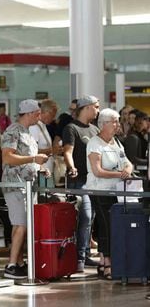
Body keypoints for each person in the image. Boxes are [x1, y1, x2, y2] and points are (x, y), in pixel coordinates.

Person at [2, 99, 48, 279]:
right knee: (21, 224)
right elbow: (7, 158)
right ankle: (11, 265)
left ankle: (19, 263)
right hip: (16, 184)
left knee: (22, 224)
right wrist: (33, 159)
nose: (40, 116)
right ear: (28, 113)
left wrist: (40, 167)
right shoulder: (13, 131)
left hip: (28, 185)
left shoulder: (26, 132)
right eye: (37, 113)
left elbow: (27, 158)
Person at [85, 108, 133, 280]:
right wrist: (120, 174)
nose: (117, 125)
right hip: (100, 190)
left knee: (113, 225)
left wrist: (127, 170)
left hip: (117, 191)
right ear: (103, 124)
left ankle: (104, 260)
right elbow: (97, 171)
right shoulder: (94, 143)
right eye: (114, 121)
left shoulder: (116, 142)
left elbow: (127, 162)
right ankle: (108, 263)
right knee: (106, 225)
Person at [62, 95, 100, 272]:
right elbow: (67, 151)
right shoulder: (71, 128)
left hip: (94, 181)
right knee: (84, 217)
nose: (98, 110)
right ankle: (79, 258)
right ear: (86, 108)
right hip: (79, 182)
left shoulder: (94, 129)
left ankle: (84, 255)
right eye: (96, 107)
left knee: (90, 218)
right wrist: (72, 167)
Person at [29, 99, 58, 180]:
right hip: (41, 172)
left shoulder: (43, 125)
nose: (53, 118)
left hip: (46, 171)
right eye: (52, 115)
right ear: (46, 112)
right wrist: (51, 150)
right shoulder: (34, 127)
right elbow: (31, 152)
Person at [124, 110, 148, 176]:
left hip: (143, 172)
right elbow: (132, 159)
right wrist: (148, 162)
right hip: (137, 174)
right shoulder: (133, 137)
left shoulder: (142, 135)